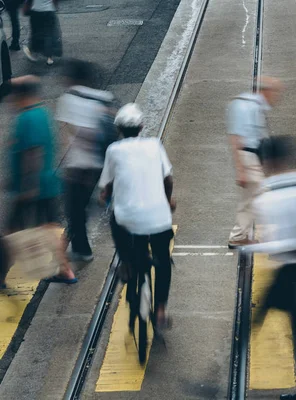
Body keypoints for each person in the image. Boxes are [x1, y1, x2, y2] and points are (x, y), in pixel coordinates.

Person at [239, 136, 296, 400]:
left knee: (277, 324)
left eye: (263, 162)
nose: (261, 167)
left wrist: (250, 248)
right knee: (294, 326)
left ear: (272, 162)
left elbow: (279, 245)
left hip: (290, 270)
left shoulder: (271, 199)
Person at [98, 103, 176, 330]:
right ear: (142, 126)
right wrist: (168, 200)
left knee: (115, 220)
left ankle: (126, 262)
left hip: (128, 219)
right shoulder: (155, 145)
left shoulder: (113, 150)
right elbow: (168, 179)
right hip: (159, 217)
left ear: (119, 129)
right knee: (163, 261)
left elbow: (107, 186)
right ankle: (160, 310)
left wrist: (105, 194)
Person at [1, 75, 76, 287]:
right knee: (51, 228)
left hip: (32, 187)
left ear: (22, 96)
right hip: (48, 182)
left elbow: (33, 152)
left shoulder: (26, 118)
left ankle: (0, 276)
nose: (10, 100)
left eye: (14, 96)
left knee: (10, 232)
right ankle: (65, 271)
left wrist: (27, 186)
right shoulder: (43, 113)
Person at [56, 59, 117, 262]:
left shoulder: (68, 99)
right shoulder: (103, 97)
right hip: (103, 162)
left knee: (74, 209)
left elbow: (69, 132)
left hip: (80, 165)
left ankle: (80, 250)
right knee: (83, 207)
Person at [227, 77, 283, 249]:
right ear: (265, 91)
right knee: (264, 194)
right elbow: (235, 138)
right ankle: (273, 235)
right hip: (247, 157)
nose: (276, 97)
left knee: (250, 199)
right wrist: (240, 170)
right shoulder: (244, 105)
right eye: (275, 92)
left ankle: (238, 236)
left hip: (253, 157)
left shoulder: (255, 106)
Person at [22, 0, 62, 65]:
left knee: (36, 33)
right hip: (49, 11)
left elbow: (29, 1)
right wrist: (55, 7)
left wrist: (25, 8)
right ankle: (49, 58)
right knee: (49, 34)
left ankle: (34, 53)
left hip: (36, 12)